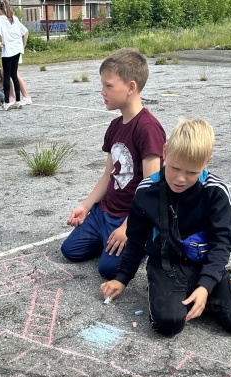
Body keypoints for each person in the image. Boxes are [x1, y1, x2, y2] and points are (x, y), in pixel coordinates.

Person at [101, 119, 231, 337]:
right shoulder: (147, 191)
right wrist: (122, 277)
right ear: (165, 152)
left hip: (204, 262)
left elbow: (222, 242)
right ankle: (179, 292)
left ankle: (215, 285)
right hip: (167, 264)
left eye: (192, 172)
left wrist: (206, 284)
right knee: (168, 324)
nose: (180, 179)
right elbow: (135, 240)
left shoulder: (216, 191)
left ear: (206, 163)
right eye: (174, 168)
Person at [61, 48, 165, 280]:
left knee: (108, 270)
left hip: (132, 216)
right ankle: (109, 238)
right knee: (70, 251)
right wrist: (86, 206)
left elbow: (152, 189)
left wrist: (129, 226)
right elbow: (109, 175)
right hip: (104, 213)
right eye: (102, 86)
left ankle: (142, 241)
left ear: (131, 87)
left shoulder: (148, 129)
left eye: (109, 86)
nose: (102, 92)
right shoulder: (115, 126)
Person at [0, 0, 28, 110]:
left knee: (7, 76)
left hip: (8, 50)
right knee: (14, 74)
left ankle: (7, 103)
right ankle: (18, 101)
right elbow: (25, 32)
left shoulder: (0, 19)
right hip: (17, 49)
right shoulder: (14, 18)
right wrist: (23, 45)